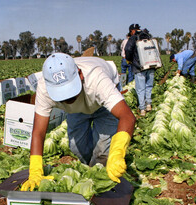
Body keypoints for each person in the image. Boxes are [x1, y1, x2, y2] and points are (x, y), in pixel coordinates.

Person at [20, 53, 136, 191]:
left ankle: (101, 182)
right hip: (76, 110)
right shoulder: (44, 88)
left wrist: (117, 153)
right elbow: (38, 131)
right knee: (76, 146)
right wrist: (35, 170)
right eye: (61, 94)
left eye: (69, 90)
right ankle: (91, 170)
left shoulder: (97, 80)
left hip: (101, 104)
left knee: (103, 152)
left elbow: (127, 116)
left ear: (80, 75)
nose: (67, 97)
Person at [124, 24, 155, 116]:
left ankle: (142, 109)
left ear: (132, 31)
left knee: (140, 88)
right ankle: (148, 104)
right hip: (151, 65)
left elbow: (128, 49)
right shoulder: (148, 36)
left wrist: (129, 59)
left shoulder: (133, 38)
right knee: (149, 86)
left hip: (139, 67)